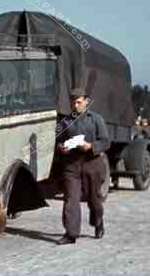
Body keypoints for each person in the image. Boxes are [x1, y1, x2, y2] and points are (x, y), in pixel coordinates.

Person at [55, 87, 110, 245]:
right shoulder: (65, 122)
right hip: (72, 166)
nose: (76, 105)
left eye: (79, 102)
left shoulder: (96, 119)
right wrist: (61, 148)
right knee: (71, 199)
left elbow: (106, 141)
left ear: (86, 101)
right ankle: (71, 234)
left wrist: (91, 146)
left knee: (94, 200)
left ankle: (98, 222)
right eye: (73, 103)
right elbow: (58, 142)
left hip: (92, 164)